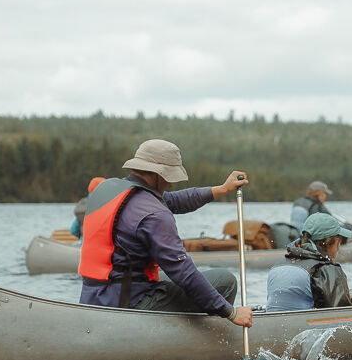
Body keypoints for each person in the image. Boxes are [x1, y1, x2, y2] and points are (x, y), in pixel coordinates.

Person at [78, 139, 253, 328]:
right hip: (127, 306)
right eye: (169, 177)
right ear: (157, 175)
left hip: (93, 299)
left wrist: (221, 189)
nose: (170, 184)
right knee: (225, 280)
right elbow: (184, 273)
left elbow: (174, 201)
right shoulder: (155, 215)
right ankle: (201, 339)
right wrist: (231, 312)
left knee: (169, 278)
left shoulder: (109, 190)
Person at [266, 213, 352, 311]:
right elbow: (342, 319)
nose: (338, 248)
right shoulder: (326, 269)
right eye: (339, 241)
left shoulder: (278, 265)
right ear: (328, 241)